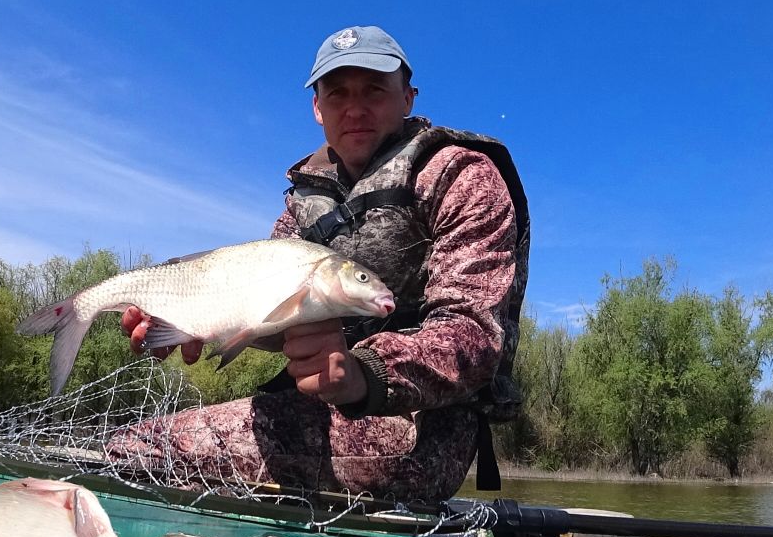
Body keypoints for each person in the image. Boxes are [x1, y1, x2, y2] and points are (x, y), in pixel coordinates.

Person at [106, 25, 530, 503]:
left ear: (408, 98)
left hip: (418, 431)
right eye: (337, 93)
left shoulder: (461, 176)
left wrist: (362, 372)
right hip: (309, 408)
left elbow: (475, 337)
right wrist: (188, 322)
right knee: (138, 444)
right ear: (317, 107)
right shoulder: (302, 207)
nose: (355, 108)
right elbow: (268, 320)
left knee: (139, 450)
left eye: (374, 90)